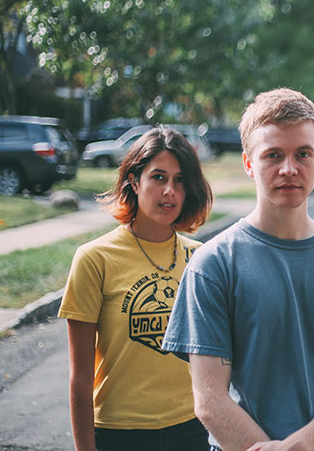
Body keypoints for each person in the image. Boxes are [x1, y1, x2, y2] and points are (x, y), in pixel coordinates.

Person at [162, 88, 314, 451]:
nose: (289, 169)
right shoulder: (214, 264)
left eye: (303, 154)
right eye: (273, 155)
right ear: (249, 163)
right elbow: (210, 400)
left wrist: (300, 445)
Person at [59, 125, 214, 451]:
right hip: (118, 433)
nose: (169, 190)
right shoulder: (94, 259)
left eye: (180, 180)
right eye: (158, 177)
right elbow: (80, 378)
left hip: (192, 429)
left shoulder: (202, 258)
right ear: (134, 180)